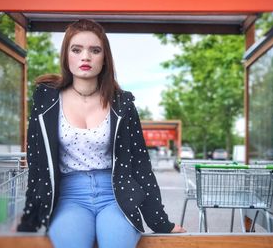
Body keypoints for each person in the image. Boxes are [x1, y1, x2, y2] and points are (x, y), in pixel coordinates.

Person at [17, 19, 186, 248]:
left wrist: (159, 221)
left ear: (104, 57)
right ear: (66, 55)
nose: (85, 57)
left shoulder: (122, 103)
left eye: (94, 50)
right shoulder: (46, 100)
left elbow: (140, 164)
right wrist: (29, 219)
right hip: (69, 196)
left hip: (116, 196)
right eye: (76, 49)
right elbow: (37, 165)